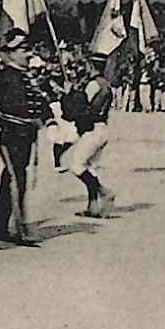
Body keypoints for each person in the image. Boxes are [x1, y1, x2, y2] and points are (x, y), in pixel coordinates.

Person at [0, 29, 50, 244]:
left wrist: (50, 121)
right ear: (10, 53)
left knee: (13, 176)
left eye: (28, 48)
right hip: (9, 132)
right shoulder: (2, 77)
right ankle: (19, 228)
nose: (28, 53)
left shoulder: (27, 76)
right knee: (15, 178)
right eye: (23, 49)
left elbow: (39, 104)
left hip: (26, 133)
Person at [64, 51, 117, 217]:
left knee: (77, 166)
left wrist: (68, 94)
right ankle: (93, 206)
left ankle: (104, 191)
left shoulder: (93, 85)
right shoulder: (105, 84)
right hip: (102, 128)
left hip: (93, 129)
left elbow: (83, 109)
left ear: (91, 66)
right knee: (90, 168)